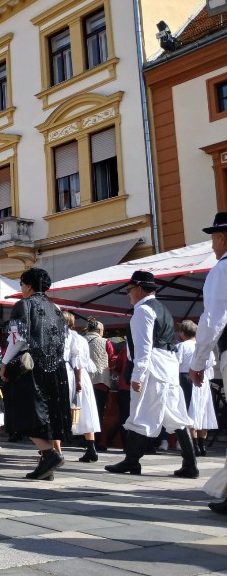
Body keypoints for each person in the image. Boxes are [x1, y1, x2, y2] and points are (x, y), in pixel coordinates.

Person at [105, 270, 197, 478]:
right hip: (168, 367)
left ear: (138, 289)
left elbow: (143, 347)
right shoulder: (161, 308)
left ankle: (131, 461)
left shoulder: (143, 311)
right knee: (176, 416)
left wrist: (138, 376)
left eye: (129, 290)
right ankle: (190, 465)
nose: (128, 294)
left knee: (140, 413)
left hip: (153, 367)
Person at [0, 268, 69, 481]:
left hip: (31, 367)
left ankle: (49, 455)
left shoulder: (24, 305)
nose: (21, 288)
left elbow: (18, 338)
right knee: (47, 415)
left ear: (28, 285)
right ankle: (46, 464)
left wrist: (4, 363)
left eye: (21, 284)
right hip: (55, 367)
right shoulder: (56, 308)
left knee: (26, 413)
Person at [193, 213, 227, 514]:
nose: (212, 246)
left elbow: (213, 319)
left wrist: (199, 360)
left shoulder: (222, 269)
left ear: (223, 238)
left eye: (213, 239)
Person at [62, 312, 101, 463]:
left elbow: (76, 361)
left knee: (66, 410)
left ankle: (53, 449)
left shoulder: (69, 337)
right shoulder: (80, 338)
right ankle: (91, 448)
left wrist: (77, 381)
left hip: (73, 375)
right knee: (85, 411)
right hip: (82, 376)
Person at [179, 321, 216, 456]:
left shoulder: (181, 347)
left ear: (182, 333)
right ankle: (202, 445)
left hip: (187, 378)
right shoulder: (205, 347)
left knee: (191, 411)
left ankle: (194, 446)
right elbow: (211, 364)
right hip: (204, 379)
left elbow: (176, 363)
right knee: (204, 411)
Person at [84, 317, 116, 450]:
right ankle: (98, 442)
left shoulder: (81, 340)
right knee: (98, 412)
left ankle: (85, 441)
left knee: (85, 412)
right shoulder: (105, 342)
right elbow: (112, 359)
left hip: (84, 381)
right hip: (100, 382)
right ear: (99, 330)